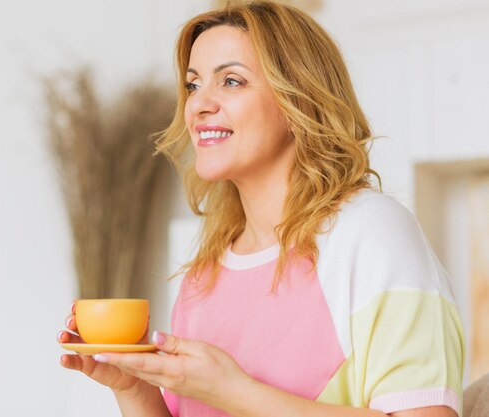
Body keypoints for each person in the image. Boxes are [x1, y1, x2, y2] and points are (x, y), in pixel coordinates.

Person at [57, 1, 465, 416]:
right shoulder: (205, 274)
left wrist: (236, 392)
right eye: (193, 85)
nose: (198, 105)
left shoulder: (370, 232)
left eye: (231, 81)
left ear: (299, 101)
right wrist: (133, 389)